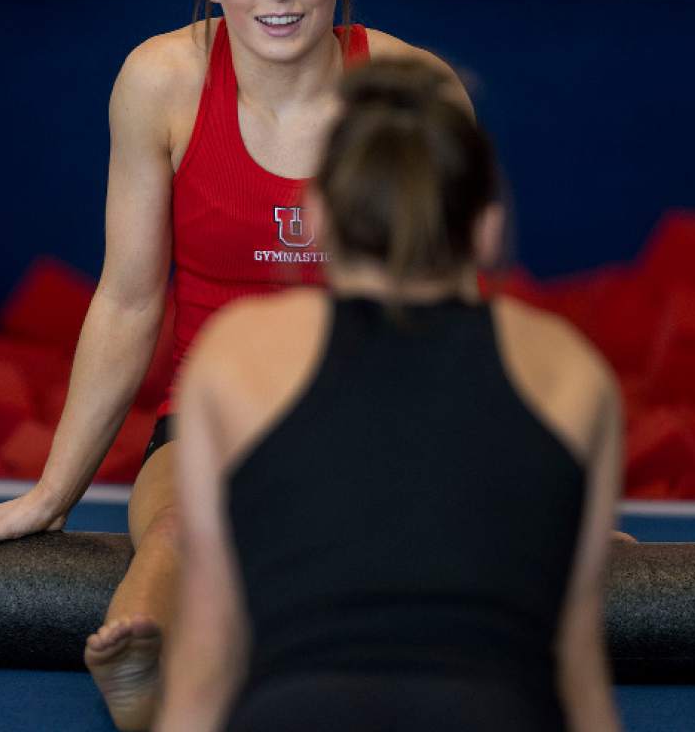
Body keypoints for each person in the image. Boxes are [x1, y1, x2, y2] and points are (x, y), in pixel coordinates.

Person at [0, 0, 472, 731]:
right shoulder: (162, 82)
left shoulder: (411, 89)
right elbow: (130, 299)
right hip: (208, 415)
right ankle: (142, 646)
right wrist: (54, 491)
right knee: (183, 525)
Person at [156, 57, 623, 732]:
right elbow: (577, 670)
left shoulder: (233, 357)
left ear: (314, 218)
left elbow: (207, 657)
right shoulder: (569, 371)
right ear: (486, 225)